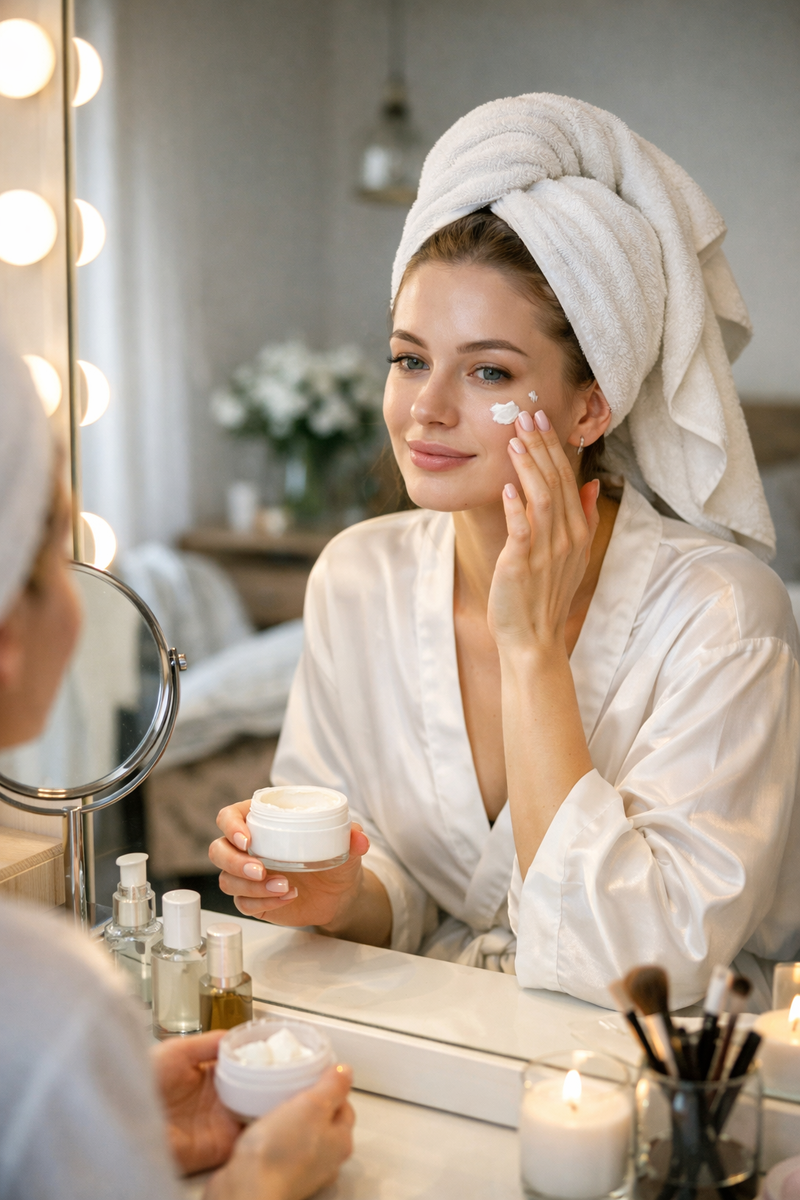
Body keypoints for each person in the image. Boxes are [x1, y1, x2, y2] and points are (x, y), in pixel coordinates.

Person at [210, 93, 800, 1011]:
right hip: (424, 1039)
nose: (427, 408)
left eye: (489, 370)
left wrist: (532, 653)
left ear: (590, 407)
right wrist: (340, 895)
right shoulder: (357, 578)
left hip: (647, 1074)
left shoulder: (723, 617)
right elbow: (395, 880)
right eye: (410, 359)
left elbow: (648, 966)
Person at [0, 340, 354, 1200]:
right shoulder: (41, 1003)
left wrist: (100, 1112)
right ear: (9, 641)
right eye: (56, 554)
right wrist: (257, 1182)